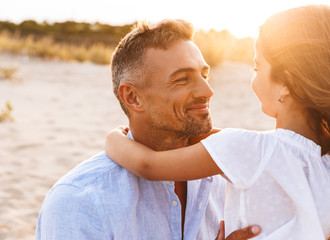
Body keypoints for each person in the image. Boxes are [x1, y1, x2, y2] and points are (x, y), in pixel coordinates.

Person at [105, 4, 330, 240]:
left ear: (285, 84)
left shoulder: (251, 150)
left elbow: (148, 165)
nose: (254, 77)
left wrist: (114, 136)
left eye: (256, 67)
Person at [36, 19, 261, 239]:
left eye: (204, 75)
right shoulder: (78, 202)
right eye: (182, 79)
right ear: (132, 97)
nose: (207, 90)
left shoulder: (230, 179)